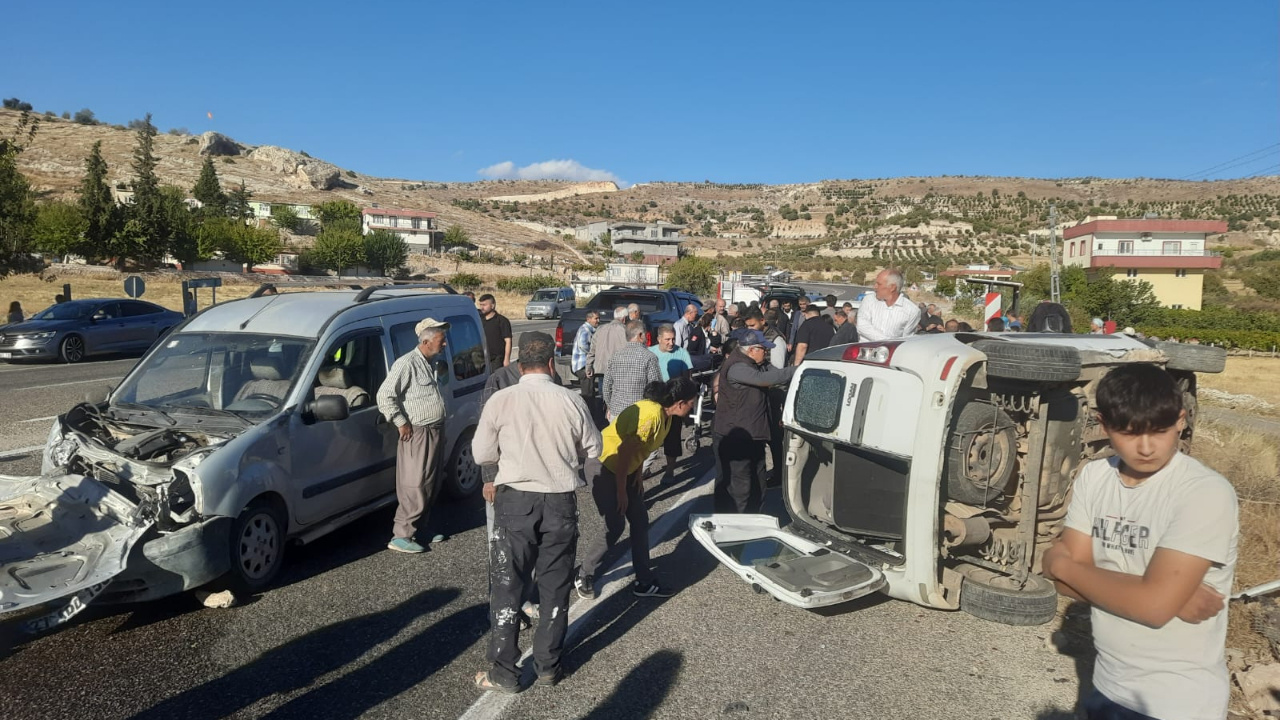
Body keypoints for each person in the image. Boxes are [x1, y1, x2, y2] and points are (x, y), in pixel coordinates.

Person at [1042, 365, 1237, 720]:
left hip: (1177, 702)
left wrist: (1062, 563)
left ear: (1180, 420)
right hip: (1106, 685)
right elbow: (1060, 583)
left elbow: (1149, 606)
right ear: (1103, 424)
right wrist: (1157, 596)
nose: (1146, 448)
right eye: (1129, 433)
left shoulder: (1204, 492)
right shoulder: (1096, 478)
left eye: (1160, 431)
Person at [472, 333, 602, 693]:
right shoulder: (569, 399)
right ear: (551, 364)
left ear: (518, 364)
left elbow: (482, 452)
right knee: (554, 585)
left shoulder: (501, 399)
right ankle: (548, 664)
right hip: (560, 499)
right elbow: (594, 446)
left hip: (515, 500)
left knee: (507, 584)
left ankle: (505, 672)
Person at [576, 377, 699, 602]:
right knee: (615, 524)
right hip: (604, 465)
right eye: (692, 402)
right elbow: (624, 452)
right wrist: (622, 492)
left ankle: (644, 581)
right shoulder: (651, 415)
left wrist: (638, 476)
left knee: (640, 522)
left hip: (625, 469)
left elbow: (640, 449)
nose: (693, 406)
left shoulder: (666, 417)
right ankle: (584, 572)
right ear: (680, 402)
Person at [376, 318, 450, 554]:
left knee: (431, 482)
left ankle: (420, 528)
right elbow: (385, 395)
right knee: (414, 483)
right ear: (426, 341)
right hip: (418, 432)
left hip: (434, 430)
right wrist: (400, 422)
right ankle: (402, 534)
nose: (445, 344)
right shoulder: (406, 363)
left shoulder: (431, 362)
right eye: (441, 340)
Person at [712, 331, 796, 513]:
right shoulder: (737, 367)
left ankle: (752, 519)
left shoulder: (757, 363)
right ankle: (733, 527)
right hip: (735, 435)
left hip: (753, 434)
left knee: (758, 483)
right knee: (739, 486)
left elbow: (777, 374)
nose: (766, 353)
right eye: (764, 349)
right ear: (752, 349)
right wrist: (798, 369)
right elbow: (764, 380)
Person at [649, 325, 693, 482]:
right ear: (659, 339)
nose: (671, 342)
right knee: (650, 434)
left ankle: (669, 469)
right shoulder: (650, 353)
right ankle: (645, 467)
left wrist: (687, 407)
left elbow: (687, 378)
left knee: (672, 436)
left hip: (674, 403)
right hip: (654, 401)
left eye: (673, 339)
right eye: (667, 339)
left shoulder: (681, 353)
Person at [603, 320, 661, 421]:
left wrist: (610, 406)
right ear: (640, 335)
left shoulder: (615, 356)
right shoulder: (649, 357)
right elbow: (655, 388)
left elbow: (606, 387)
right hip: (639, 414)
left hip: (616, 412)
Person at [857, 269, 919, 342]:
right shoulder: (868, 300)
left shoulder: (912, 311)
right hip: (866, 351)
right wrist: (888, 341)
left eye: (879, 284)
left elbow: (906, 339)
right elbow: (862, 326)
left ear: (892, 287)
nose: (875, 287)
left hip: (892, 352)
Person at [587, 306, 630, 401]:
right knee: (618, 398)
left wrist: (589, 366)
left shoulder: (600, 329)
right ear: (624, 319)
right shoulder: (625, 331)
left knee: (604, 398)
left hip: (602, 370)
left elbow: (592, 350)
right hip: (619, 371)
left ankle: (603, 415)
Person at [571, 310, 600, 402]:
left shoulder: (589, 329)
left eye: (598, 318)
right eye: (596, 318)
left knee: (590, 391)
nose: (598, 321)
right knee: (587, 394)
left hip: (583, 364)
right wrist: (592, 354)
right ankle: (588, 411)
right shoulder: (585, 330)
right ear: (588, 319)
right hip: (582, 365)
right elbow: (582, 345)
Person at [478, 294, 513, 371]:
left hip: (496, 360)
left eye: (484, 305)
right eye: (480, 305)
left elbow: (508, 341)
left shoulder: (502, 321)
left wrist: (506, 359)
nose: (482, 307)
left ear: (492, 305)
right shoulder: (479, 320)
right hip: (481, 358)